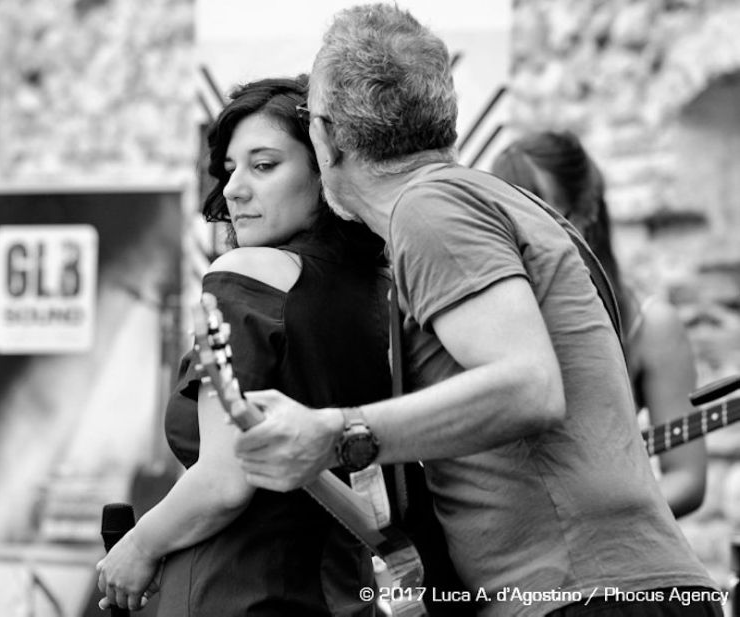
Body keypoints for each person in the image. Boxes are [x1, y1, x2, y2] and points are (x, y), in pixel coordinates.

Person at [232, 5, 722, 616]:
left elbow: (528, 386)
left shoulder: (429, 209)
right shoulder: (481, 200)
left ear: (327, 138)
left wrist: (339, 433)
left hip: (584, 595)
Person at [96, 75, 391, 616]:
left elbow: (223, 480)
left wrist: (138, 546)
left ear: (325, 168)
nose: (233, 189)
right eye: (231, 169)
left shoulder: (248, 273)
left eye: (264, 165)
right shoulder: (384, 285)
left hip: (236, 593)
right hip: (346, 593)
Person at [490, 130, 707, 518]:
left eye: (541, 219)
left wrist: (593, 517)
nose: (522, 240)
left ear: (586, 211)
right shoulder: (485, 318)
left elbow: (686, 478)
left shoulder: (650, 325)